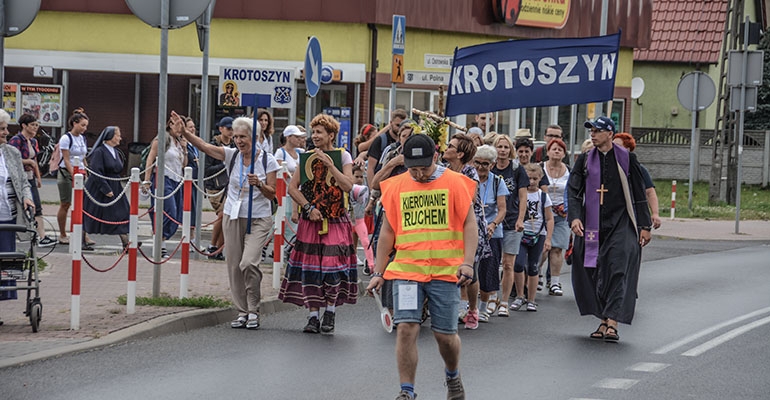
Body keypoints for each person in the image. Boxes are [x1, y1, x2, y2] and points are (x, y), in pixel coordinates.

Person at [366, 134, 478, 400]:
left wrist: (468, 263)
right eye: (413, 167)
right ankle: (407, 391)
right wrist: (379, 272)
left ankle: (452, 376)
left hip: (446, 271)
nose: (418, 173)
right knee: (405, 328)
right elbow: (387, 233)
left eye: (424, 168)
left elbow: (469, 224)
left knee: (445, 336)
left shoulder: (456, 183)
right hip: (406, 270)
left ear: (435, 158)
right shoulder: (395, 186)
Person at [176, 112, 278, 330]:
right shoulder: (232, 155)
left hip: (258, 216)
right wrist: (184, 132)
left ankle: (254, 309)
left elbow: (273, 194)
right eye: (237, 137)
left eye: (244, 137)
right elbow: (204, 146)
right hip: (233, 214)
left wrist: (259, 184)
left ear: (255, 138)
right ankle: (243, 311)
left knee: (248, 262)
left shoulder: (267, 160)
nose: (239, 141)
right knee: (234, 265)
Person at [568, 116, 652, 342]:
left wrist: (645, 225)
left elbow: (638, 193)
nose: (592, 135)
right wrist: (574, 218)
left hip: (621, 221)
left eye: (597, 131)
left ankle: (613, 321)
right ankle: (602, 318)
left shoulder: (627, 159)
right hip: (592, 222)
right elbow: (574, 191)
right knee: (593, 269)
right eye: (591, 131)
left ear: (610, 134)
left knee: (617, 267)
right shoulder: (584, 160)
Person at [279, 113, 357, 335]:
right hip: (311, 221)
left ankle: (330, 311)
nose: (315, 136)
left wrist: (331, 166)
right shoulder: (306, 158)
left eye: (319, 132)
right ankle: (313, 316)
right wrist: (307, 208)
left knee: (332, 268)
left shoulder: (343, 156)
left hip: (335, 219)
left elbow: (348, 186)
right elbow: (293, 188)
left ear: (331, 135)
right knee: (311, 269)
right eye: (313, 132)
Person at [442, 133, 489, 330]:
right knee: (452, 266)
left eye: (450, 145)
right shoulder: (443, 170)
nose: (446, 147)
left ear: (459, 154)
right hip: (449, 223)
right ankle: (456, 307)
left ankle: (472, 308)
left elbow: (470, 197)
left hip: (470, 224)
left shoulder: (470, 172)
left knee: (471, 271)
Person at [491, 134, 528, 316]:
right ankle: (490, 297)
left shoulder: (517, 170)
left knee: (508, 263)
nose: (503, 150)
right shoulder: (490, 168)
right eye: (500, 147)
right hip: (493, 220)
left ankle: (504, 301)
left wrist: (521, 219)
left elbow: (523, 197)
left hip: (512, 221)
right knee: (490, 262)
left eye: (506, 147)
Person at [510, 163, 554, 312]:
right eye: (529, 178)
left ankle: (531, 299)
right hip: (521, 233)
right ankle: (519, 295)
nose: (532, 182)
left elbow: (549, 218)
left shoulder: (543, 196)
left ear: (540, 178)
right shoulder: (520, 194)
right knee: (519, 264)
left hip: (538, 234)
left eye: (535, 178)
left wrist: (548, 238)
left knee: (534, 267)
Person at [143, 117, 188, 258]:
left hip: (177, 179)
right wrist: (146, 180)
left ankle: (161, 241)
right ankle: (159, 242)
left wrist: (185, 149)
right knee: (169, 211)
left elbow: (183, 165)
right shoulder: (162, 139)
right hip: (163, 178)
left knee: (177, 216)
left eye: (182, 126)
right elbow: (151, 158)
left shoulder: (179, 143)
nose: (180, 128)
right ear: (170, 124)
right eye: (178, 125)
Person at [8, 113, 54, 247]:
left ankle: (42, 236)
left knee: (37, 207)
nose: (35, 128)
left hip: (30, 177)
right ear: (24, 126)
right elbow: (12, 160)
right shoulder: (16, 140)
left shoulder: (33, 141)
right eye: (33, 125)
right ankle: (24, 234)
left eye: (37, 125)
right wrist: (27, 161)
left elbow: (35, 161)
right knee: (20, 208)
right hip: (19, 179)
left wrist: (38, 177)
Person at [474, 145, 508, 321]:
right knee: (470, 270)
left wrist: (494, 224)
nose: (480, 168)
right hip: (472, 230)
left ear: (492, 165)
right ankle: (466, 307)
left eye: (485, 164)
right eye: (477, 163)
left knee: (488, 270)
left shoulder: (497, 182)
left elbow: (502, 209)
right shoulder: (468, 179)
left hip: (491, 232)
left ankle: (482, 307)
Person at [83, 126, 130, 250]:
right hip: (99, 187)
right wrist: (105, 189)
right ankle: (82, 239)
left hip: (115, 185)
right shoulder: (100, 151)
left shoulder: (115, 151)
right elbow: (96, 171)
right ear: (110, 136)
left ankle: (126, 242)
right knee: (92, 213)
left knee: (121, 212)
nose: (120, 138)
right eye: (118, 135)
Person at [0, 109, 35, 252]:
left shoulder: (12, 152)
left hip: (8, 218)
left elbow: (23, 182)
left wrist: (26, 197)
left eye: (6, 128)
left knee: (7, 260)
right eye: (2, 129)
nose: (7, 132)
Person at [539, 139, 571, 296]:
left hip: (561, 215)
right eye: (554, 149)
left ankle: (555, 283)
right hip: (542, 213)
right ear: (548, 151)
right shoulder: (540, 168)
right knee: (543, 249)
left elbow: (573, 191)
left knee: (557, 248)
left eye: (560, 149)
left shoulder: (569, 171)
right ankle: (536, 274)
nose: (557, 151)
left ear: (564, 154)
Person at [57, 109, 92, 249]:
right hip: (67, 172)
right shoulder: (66, 138)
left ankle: (83, 234)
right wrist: (73, 174)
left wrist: (86, 171)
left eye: (86, 126)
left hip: (81, 173)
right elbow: (66, 159)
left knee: (82, 205)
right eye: (82, 125)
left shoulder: (82, 138)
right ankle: (62, 233)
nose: (84, 128)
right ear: (74, 123)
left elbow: (83, 157)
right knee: (66, 203)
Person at [613, 133, 662, 229]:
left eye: (618, 146)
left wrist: (655, 213)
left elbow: (649, 192)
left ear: (627, 149)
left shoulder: (639, 169)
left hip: (631, 215)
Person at [204, 116, 236, 261]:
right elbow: (206, 169)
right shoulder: (214, 145)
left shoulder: (235, 144)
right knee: (222, 214)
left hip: (231, 186)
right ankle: (212, 245)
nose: (231, 132)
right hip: (215, 186)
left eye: (232, 129)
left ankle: (219, 248)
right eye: (228, 129)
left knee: (227, 216)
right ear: (220, 129)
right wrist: (224, 163)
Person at [366, 109, 407, 186]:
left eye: (402, 125)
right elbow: (370, 168)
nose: (400, 129)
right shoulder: (381, 141)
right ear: (391, 123)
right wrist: (372, 191)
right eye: (397, 125)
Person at [349, 164, 374, 270]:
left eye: (361, 177)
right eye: (357, 177)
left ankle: (371, 264)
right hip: (349, 219)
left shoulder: (364, 188)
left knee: (365, 241)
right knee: (349, 241)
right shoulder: (348, 187)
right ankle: (350, 260)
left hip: (359, 219)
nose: (359, 179)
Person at [183, 117, 200, 244]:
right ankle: (189, 239)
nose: (193, 129)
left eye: (193, 127)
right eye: (190, 127)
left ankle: (192, 239)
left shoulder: (195, 145)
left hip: (196, 181)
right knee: (189, 210)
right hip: (186, 182)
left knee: (194, 210)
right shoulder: (184, 145)